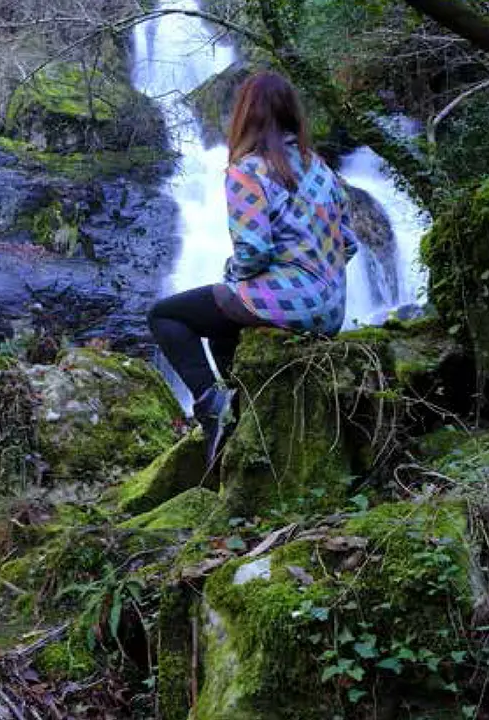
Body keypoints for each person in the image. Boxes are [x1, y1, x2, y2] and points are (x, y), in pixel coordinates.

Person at [148, 71, 360, 468]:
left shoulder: (248, 170)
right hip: (332, 308)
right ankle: (242, 415)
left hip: (290, 302)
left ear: (245, 115)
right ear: (293, 114)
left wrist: (233, 276)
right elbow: (348, 244)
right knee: (222, 325)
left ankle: (210, 406)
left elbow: (254, 251)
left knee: (166, 315)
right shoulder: (323, 171)